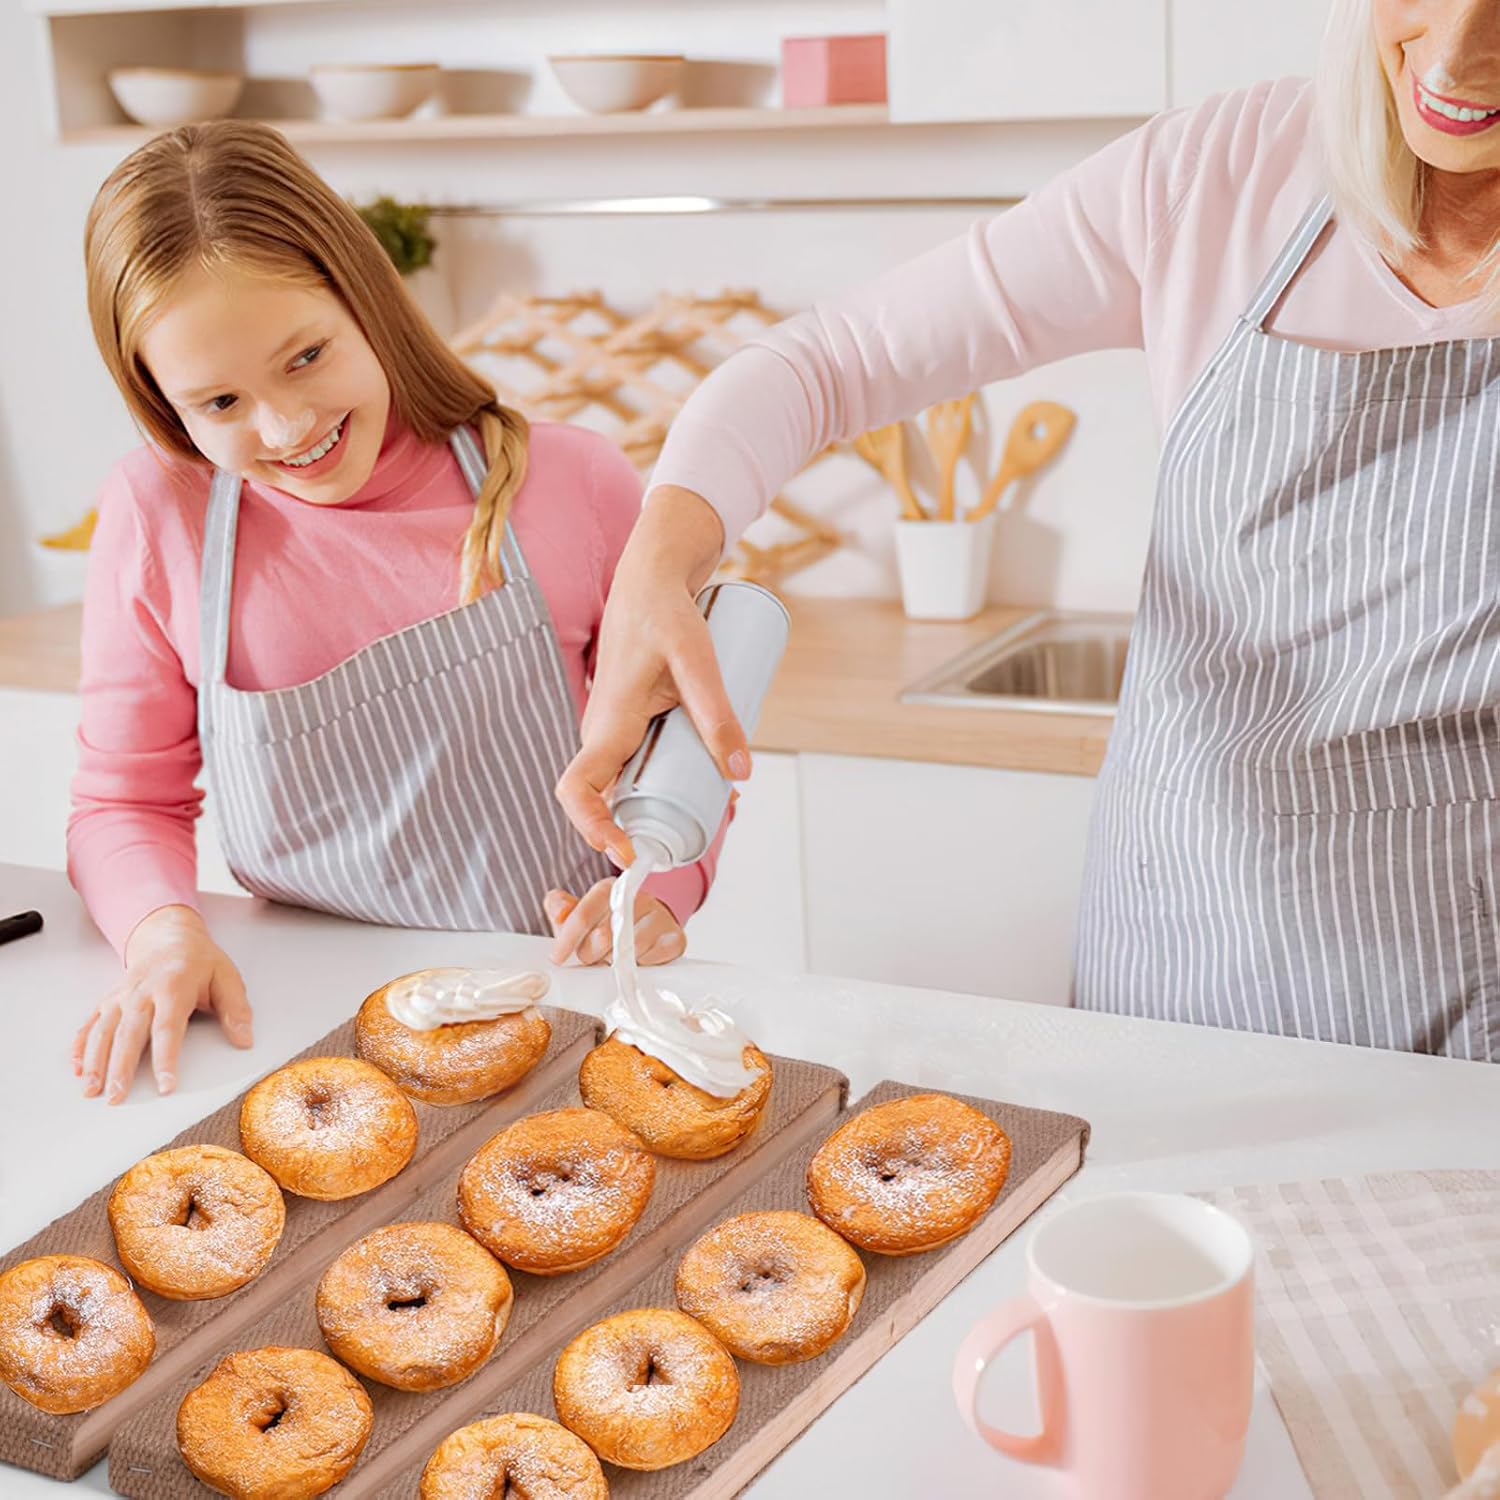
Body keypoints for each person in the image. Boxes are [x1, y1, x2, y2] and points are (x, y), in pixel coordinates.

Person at [559, 0, 1500, 1062]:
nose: (1460, 49)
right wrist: (659, 561)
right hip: (1171, 958)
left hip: (1459, 1012)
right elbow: (826, 363)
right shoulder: (1224, 176)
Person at [69, 122, 724, 1103]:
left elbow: (685, 753)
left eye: (306, 356)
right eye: (219, 403)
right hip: (296, 1035)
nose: (287, 429)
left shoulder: (572, 484)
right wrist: (162, 929)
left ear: (364, 298)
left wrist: (660, 893)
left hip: (568, 1001)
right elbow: (124, 799)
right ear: (164, 404)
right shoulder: (159, 513)